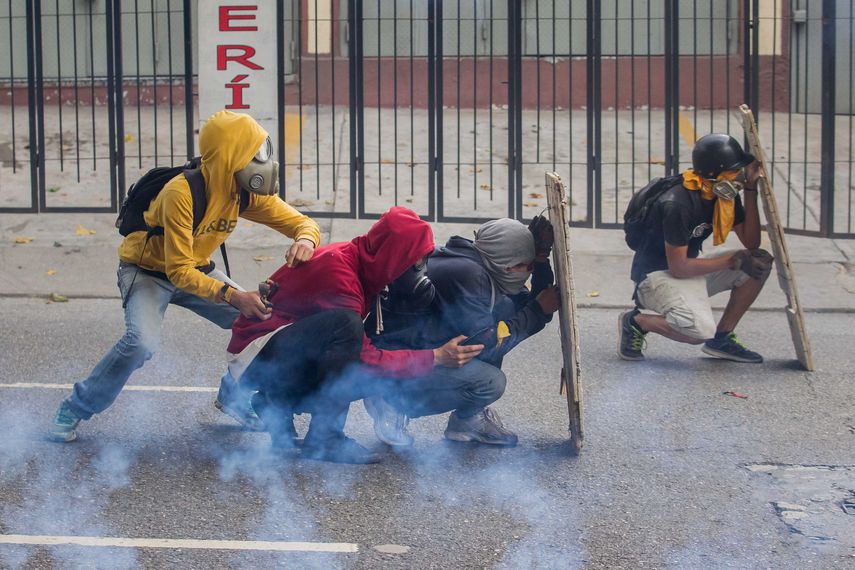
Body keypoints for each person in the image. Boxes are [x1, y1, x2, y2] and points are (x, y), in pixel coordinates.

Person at [50, 110, 321, 442]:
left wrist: (305, 240)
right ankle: (75, 407)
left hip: (198, 269)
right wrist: (235, 296)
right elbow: (178, 272)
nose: (260, 162)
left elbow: (303, 223)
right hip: (148, 272)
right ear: (230, 155)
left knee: (266, 322)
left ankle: (234, 395)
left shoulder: (241, 192)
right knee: (140, 343)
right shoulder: (182, 193)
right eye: (253, 153)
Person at [226, 207, 481, 464]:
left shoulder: (362, 265)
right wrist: (434, 357)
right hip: (254, 355)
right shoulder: (341, 274)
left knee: (358, 353)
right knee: (349, 332)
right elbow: (362, 358)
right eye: (416, 260)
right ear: (393, 255)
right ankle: (325, 438)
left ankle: (275, 403)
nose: (420, 269)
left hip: (272, 350)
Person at [362, 216, 561, 448]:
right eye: (523, 265)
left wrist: (541, 263)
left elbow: (522, 305)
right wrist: (538, 311)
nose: (527, 272)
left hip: (411, 352)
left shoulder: (477, 262)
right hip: (391, 370)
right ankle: (391, 404)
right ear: (504, 261)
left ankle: (467, 422)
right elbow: (489, 343)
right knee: (490, 381)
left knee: (505, 309)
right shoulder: (469, 277)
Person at [618, 133, 774, 363]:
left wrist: (751, 189)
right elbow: (678, 267)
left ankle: (721, 339)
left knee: (759, 261)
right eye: (734, 172)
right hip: (656, 279)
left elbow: (752, 243)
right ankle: (637, 321)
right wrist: (732, 261)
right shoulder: (677, 203)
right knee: (698, 331)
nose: (738, 177)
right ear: (713, 174)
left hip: (687, 272)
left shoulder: (723, 194)